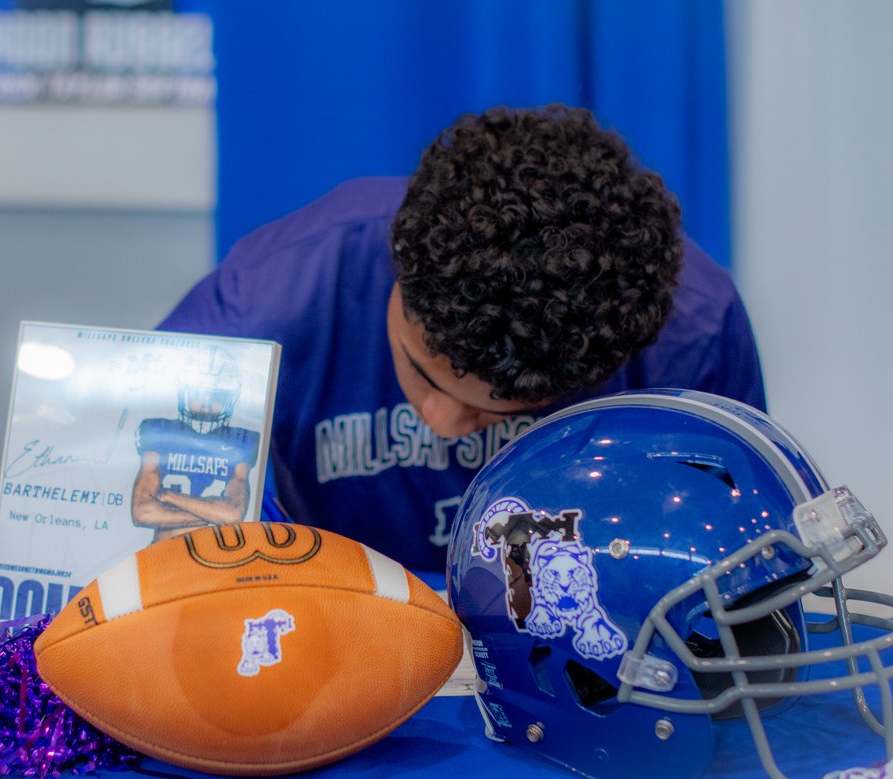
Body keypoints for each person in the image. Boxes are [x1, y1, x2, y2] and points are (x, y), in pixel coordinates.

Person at [158, 104, 765, 571]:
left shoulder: (693, 336)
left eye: (492, 412)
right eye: (420, 370)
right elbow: (138, 518)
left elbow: (723, 557)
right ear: (397, 269)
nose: (442, 421)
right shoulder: (265, 302)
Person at [131, 345, 261, 542]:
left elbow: (233, 514)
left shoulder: (240, 441)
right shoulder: (159, 432)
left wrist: (170, 496)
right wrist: (211, 515)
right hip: (163, 553)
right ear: (185, 394)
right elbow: (143, 512)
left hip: (214, 558)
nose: (206, 404)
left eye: (217, 397)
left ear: (230, 400)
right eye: (199, 394)